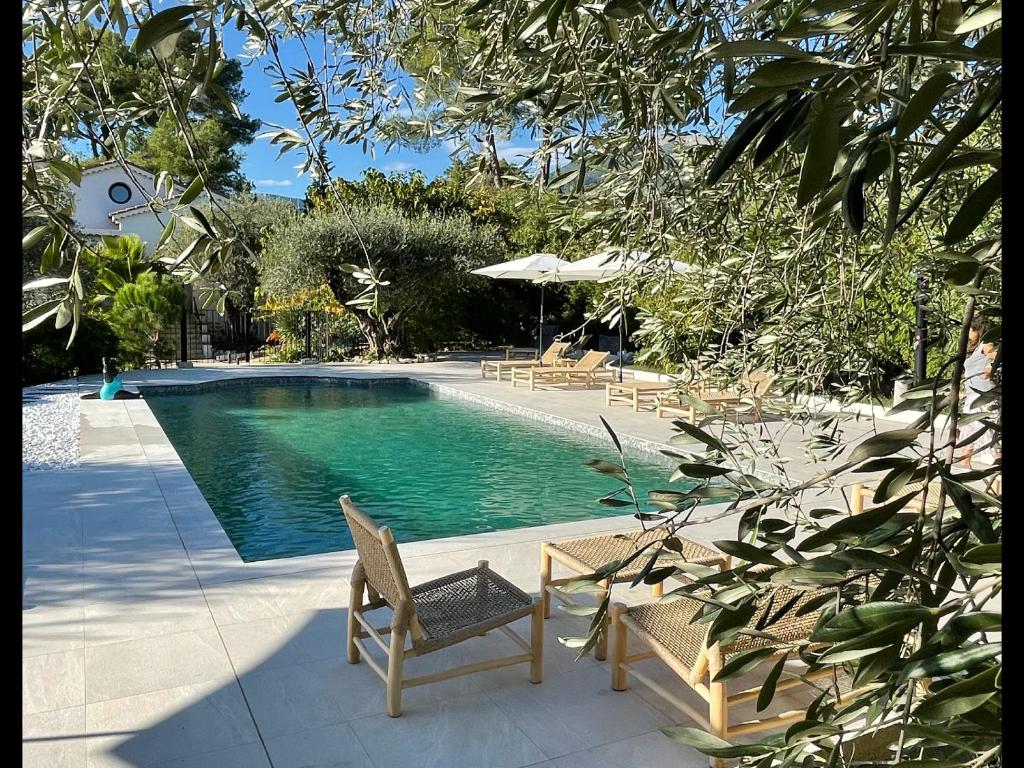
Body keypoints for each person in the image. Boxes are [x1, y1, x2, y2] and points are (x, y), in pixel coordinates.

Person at [958, 319, 995, 467]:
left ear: (977, 331)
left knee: (986, 437)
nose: (968, 333)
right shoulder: (977, 346)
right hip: (974, 396)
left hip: (983, 398)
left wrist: (992, 367)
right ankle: (964, 467)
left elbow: (997, 355)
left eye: (970, 330)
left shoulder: (986, 344)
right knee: (968, 433)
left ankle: (996, 478)